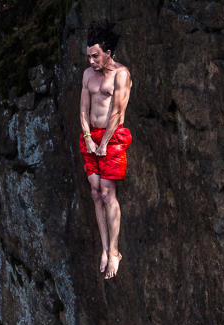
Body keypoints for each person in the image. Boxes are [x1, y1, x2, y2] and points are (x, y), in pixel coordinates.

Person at [79, 21, 133, 279]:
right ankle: (103, 248)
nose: (91, 60)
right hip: (92, 136)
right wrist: (89, 138)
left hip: (113, 138)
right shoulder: (88, 75)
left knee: (108, 192)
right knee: (95, 192)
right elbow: (82, 109)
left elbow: (118, 111)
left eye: (95, 55)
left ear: (108, 53)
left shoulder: (121, 74)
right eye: (89, 56)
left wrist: (103, 143)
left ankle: (114, 251)